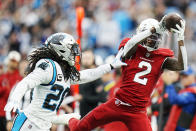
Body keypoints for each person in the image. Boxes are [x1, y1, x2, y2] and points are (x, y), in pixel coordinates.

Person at [67, 15, 188, 131]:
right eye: (152, 35)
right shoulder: (131, 46)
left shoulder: (161, 57)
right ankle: (69, 119)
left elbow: (182, 66)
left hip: (137, 111)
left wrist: (181, 39)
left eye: (157, 36)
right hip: (117, 104)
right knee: (79, 128)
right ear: (142, 34)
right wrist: (152, 30)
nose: (153, 39)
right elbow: (129, 46)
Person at [4, 33, 126, 131]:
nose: (74, 54)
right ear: (61, 50)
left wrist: (109, 66)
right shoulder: (49, 66)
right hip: (29, 122)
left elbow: (87, 75)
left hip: (43, 125)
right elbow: (26, 83)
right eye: (71, 50)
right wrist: (14, 100)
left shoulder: (64, 72)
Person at [164, 67, 196, 131]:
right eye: (182, 76)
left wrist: (169, 84)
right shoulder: (186, 89)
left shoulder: (192, 91)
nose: (183, 79)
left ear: (192, 77)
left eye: (186, 76)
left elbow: (175, 100)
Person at [0, 51, 22, 131]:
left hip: (10, 114)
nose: (12, 63)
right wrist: (5, 89)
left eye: (14, 61)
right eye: (11, 60)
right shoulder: (2, 76)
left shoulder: (19, 78)